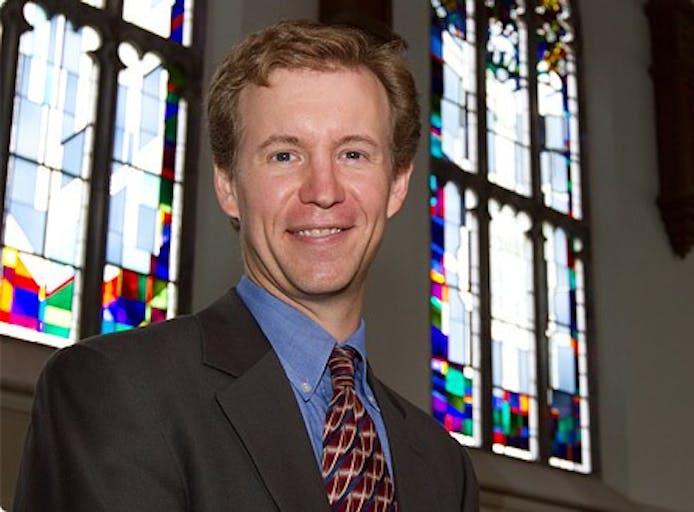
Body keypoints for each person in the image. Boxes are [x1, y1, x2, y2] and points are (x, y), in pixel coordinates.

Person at [14, 19, 478, 511]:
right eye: (284, 155)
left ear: (398, 184)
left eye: (353, 153)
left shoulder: (442, 464)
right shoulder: (115, 390)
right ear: (228, 186)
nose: (323, 190)